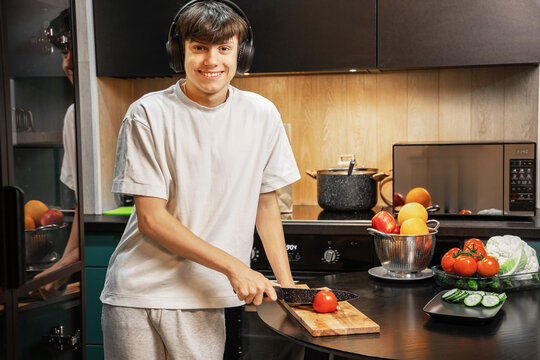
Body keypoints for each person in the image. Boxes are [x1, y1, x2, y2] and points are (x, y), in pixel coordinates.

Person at [100, 1, 300, 359]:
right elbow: (150, 218)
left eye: (224, 48)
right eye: (199, 48)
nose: (212, 61)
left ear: (242, 52)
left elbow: (265, 204)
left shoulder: (262, 115)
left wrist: (287, 288)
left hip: (206, 299)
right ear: (180, 52)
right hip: (139, 296)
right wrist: (235, 267)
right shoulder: (147, 113)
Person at [30, 8, 79, 299]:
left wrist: (69, 261)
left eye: (75, 50)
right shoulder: (76, 116)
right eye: (64, 53)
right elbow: (87, 205)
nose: (69, 63)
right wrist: (66, 262)